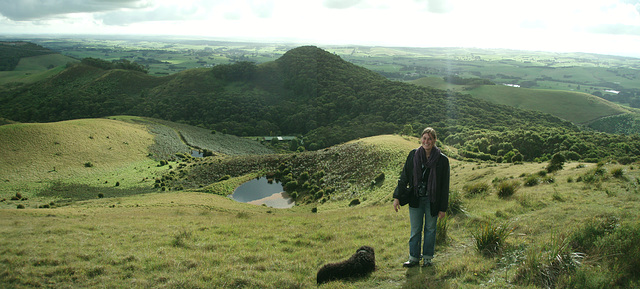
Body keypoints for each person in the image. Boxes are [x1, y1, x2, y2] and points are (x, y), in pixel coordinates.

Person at [393, 127, 450, 267]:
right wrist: (397, 197)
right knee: (415, 229)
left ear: (435, 140)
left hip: (433, 201)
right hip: (416, 199)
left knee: (430, 230)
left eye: (430, 138)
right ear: (421, 139)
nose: (427, 141)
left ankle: (428, 259)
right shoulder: (413, 155)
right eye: (424, 138)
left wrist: (443, 208)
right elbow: (404, 176)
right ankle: (413, 258)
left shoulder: (442, 160)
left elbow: (444, 186)